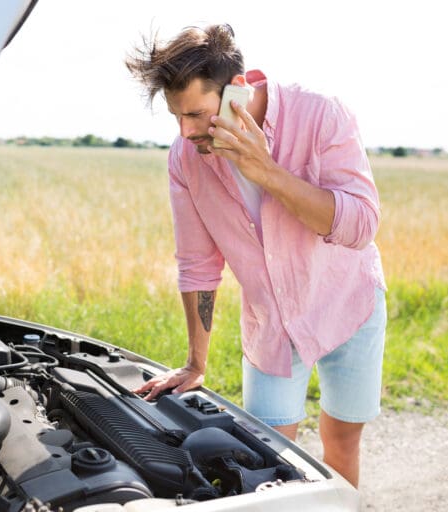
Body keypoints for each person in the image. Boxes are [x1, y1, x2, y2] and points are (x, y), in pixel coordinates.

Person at [126, 24, 386, 488]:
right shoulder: (186, 159)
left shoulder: (321, 115)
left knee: (342, 442)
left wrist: (266, 171)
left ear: (237, 93)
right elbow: (198, 263)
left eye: (197, 114)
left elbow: (361, 227)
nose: (186, 132)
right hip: (271, 325)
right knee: (271, 460)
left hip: (349, 306)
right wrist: (194, 363)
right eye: (176, 117)